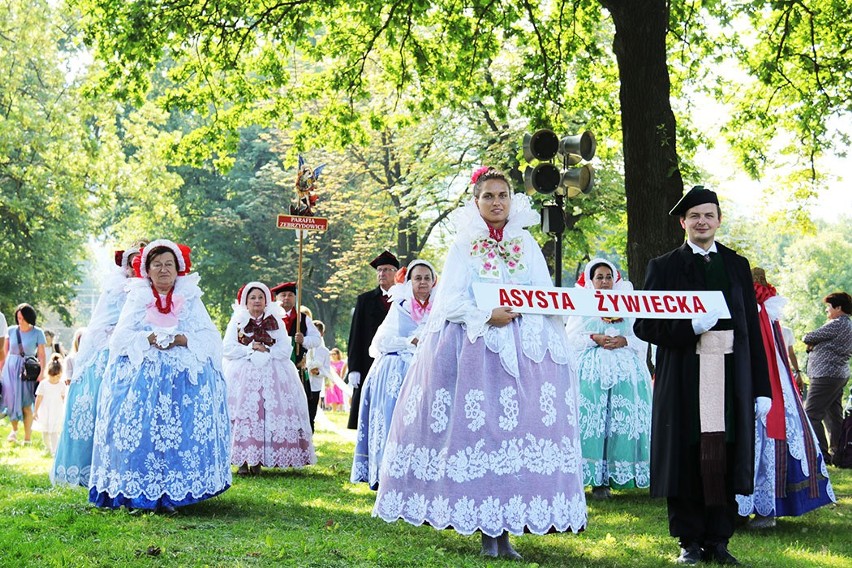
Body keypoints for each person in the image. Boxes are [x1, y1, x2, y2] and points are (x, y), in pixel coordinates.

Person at [373, 167, 586, 559]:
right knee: (483, 436)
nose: (496, 202)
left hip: (524, 350)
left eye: (502, 195)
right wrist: (487, 314)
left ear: (511, 200)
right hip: (476, 350)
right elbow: (450, 301)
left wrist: (533, 318)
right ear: (477, 202)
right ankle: (489, 531)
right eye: (488, 196)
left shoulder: (526, 243)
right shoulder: (463, 245)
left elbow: (544, 294)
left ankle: (508, 524)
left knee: (515, 435)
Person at [634, 186, 771, 566]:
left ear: (719, 220)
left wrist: (761, 388)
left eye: (708, 215)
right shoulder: (663, 266)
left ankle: (719, 539)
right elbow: (645, 326)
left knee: (724, 454)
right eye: (694, 216)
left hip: (730, 375)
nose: (702, 222)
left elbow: (752, 331)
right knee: (687, 454)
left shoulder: (736, 265)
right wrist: (688, 326)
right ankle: (689, 541)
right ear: (683, 222)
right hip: (684, 374)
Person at [89, 239, 231, 514]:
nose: (164, 270)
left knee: (175, 435)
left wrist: (182, 338)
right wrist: (148, 338)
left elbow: (210, 338)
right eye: (157, 265)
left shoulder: (191, 299)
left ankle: (173, 493)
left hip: (180, 382)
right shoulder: (137, 297)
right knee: (143, 433)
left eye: (169, 265)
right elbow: (120, 339)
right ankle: (137, 492)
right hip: (141, 380)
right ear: (147, 269)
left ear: (179, 269)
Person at [736, 268, 835, 529]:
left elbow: (769, 350)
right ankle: (753, 507)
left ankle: (763, 507)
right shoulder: (764, 309)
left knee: (766, 437)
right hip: (768, 380)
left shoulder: (759, 309)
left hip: (765, 381)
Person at [52, 244, 145, 486]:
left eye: (141, 262)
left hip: (140, 348)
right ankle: (87, 468)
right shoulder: (116, 289)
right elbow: (102, 323)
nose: (136, 268)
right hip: (107, 350)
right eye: (133, 262)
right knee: (95, 403)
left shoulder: (151, 290)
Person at [566, 258, 652, 499]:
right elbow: (570, 337)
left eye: (607, 277)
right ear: (591, 281)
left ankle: (615, 476)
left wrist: (624, 340)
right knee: (593, 420)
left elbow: (640, 334)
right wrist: (595, 338)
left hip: (624, 369)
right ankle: (592, 479)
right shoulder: (581, 302)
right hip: (591, 370)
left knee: (619, 420)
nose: (604, 282)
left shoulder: (627, 302)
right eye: (599, 277)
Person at [351, 259, 437, 490]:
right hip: (398, 368)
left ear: (433, 282)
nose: (422, 282)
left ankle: (421, 472)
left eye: (427, 278)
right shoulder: (400, 306)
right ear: (409, 282)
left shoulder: (440, 308)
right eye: (417, 278)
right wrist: (410, 342)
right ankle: (387, 471)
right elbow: (380, 342)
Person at [223, 282, 316, 476]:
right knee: (246, 414)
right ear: (245, 301)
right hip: (243, 373)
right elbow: (228, 348)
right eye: (252, 298)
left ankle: (259, 459)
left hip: (272, 372)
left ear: (266, 301)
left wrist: (267, 349)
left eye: (260, 297)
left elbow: (285, 348)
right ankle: (242, 460)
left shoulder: (276, 320)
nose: (256, 301)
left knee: (266, 413)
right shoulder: (238, 320)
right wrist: (249, 349)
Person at [346, 250, 399, 429]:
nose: (381, 274)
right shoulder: (365, 300)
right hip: (369, 362)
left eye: (386, 270)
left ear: (396, 273)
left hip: (397, 361)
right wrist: (353, 368)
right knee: (368, 411)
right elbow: (355, 335)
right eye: (379, 270)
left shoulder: (404, 299)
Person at [803, 291, 852, 462]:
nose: (826, 311)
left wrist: (812, 343)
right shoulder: (848, 325)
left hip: (825, 375)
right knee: (833, 415)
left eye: (828, 307)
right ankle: (839, 454)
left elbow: (807, 337)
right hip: (838, 374)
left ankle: (821, 454)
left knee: (811, 414)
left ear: (838, 307)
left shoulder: (837, 323)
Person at [271, 281, 322, 432]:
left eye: (290, 295)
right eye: (283, 295)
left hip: (296, 369)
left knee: (296, 404)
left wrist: (304, 340)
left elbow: (317, 339)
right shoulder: (270, 317)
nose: (286, 298)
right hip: (273, 369)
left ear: (295, 298)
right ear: (277, 298)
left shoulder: (303, 319)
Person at [1, 304, 47, 444]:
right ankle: (14, 431)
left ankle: (27, 438)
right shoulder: (11, 331)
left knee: (26, 403)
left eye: (22, 318)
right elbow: (4, 352)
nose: (19, 320)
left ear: (29, 318)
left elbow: (41, 355)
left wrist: (41, 373)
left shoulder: (38, 332)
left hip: (27, 371)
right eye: (18, 318)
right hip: (10, 369)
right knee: (10, 400)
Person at [34, 353, 68, 455]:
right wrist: (35, 411)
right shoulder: (43, 384)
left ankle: (54, 450)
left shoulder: (61, 385)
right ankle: (47, 447)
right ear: (48, 374)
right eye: (52, 377)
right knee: (45, 431)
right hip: (45, 411)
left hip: (56, 411)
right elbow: (39, 398)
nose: (54, 379)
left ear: (60, 375)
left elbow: (63, 399)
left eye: (57, 377)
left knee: (54, 432)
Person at [306, 319, 333, 430]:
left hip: (315, 385)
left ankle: (310, 435)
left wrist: (318, 372)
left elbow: (327, 370)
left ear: (321, 334)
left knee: (312, 413)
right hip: (304, 383)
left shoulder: (325, 351)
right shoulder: (305, 347)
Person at [326, 348, 347, 412]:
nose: (332, 355)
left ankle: (340, 410)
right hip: (331, 381)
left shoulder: (342, 363)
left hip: (339, 381)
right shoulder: (329, 363)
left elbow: (343, 372)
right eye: (331, 354)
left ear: (338, 354)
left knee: (339, 395)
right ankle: (334, 410)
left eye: (334, 354)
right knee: (332, 395)